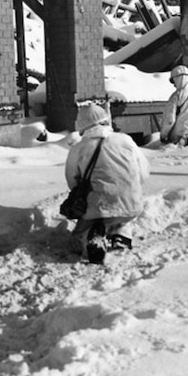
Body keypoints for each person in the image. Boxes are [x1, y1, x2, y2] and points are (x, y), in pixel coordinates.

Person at [65, 103, 150, 264]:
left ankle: (90, 238)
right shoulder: (126, 140)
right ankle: (121, 235)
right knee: (121, 217)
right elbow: (144, 173)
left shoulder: (78, 148)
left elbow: (72, 181)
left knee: (74, 242)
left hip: (95, 208)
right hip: (131, 205)